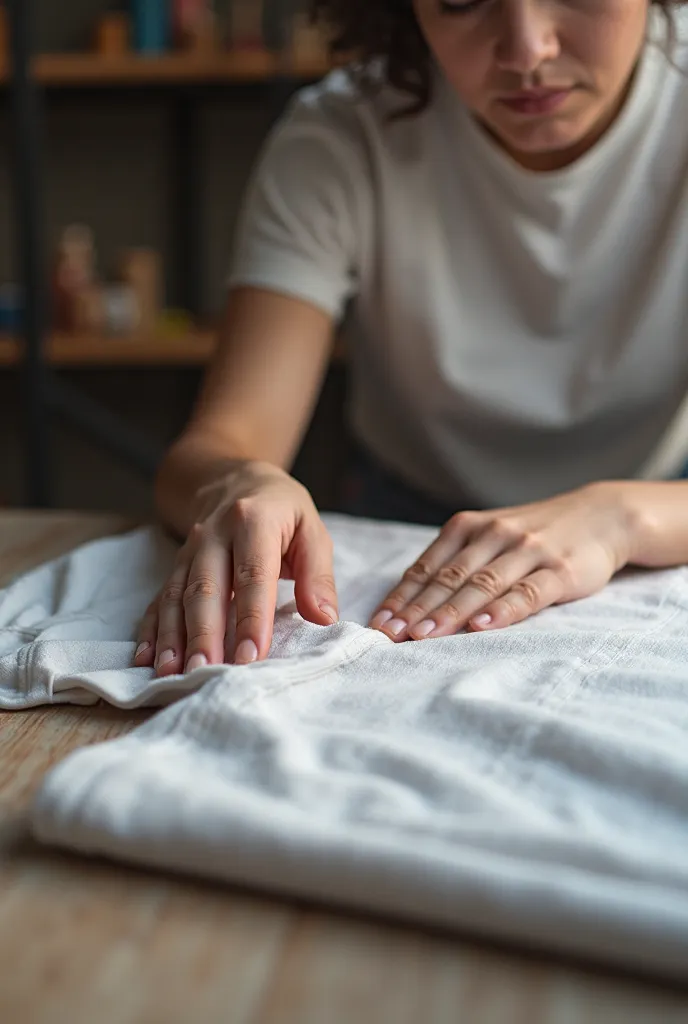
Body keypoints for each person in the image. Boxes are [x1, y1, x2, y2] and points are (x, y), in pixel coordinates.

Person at [136, 0, 688, 678]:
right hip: (409, 523)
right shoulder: (342, 134)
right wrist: (240, 484)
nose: (527, 50)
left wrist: (621, 517)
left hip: (662, 516)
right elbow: (220, 443)